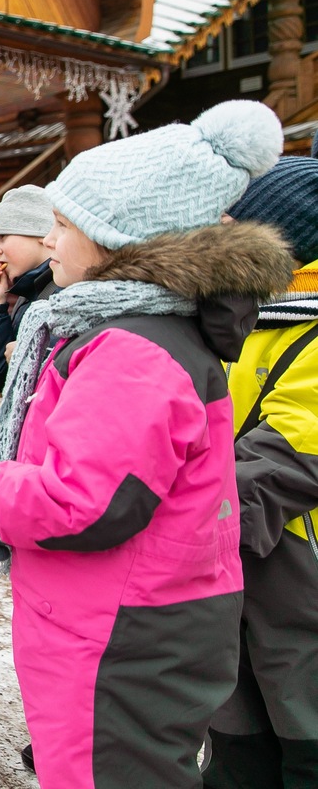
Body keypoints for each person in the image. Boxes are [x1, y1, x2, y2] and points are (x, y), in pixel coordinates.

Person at [0, 101, 291, 789]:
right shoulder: (143, 333)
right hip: (127, 619)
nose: (48, 243)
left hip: (116, 631)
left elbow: (85, 499)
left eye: (62, 225)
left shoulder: (130, 350)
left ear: (119, 236)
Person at [205, 155, 318, 789]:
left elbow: (299, 448)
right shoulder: (241, 322)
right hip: (233, 554)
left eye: (235, 225)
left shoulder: (305, 328)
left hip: (298, 566)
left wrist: (195, 501)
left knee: (301, 725)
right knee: (235, 731)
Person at [0, 184, 57, 392]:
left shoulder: (64, 289)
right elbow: (0, 378)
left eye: (3, 237)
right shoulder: (28, 293)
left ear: (40, 233)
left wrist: (25, 355)